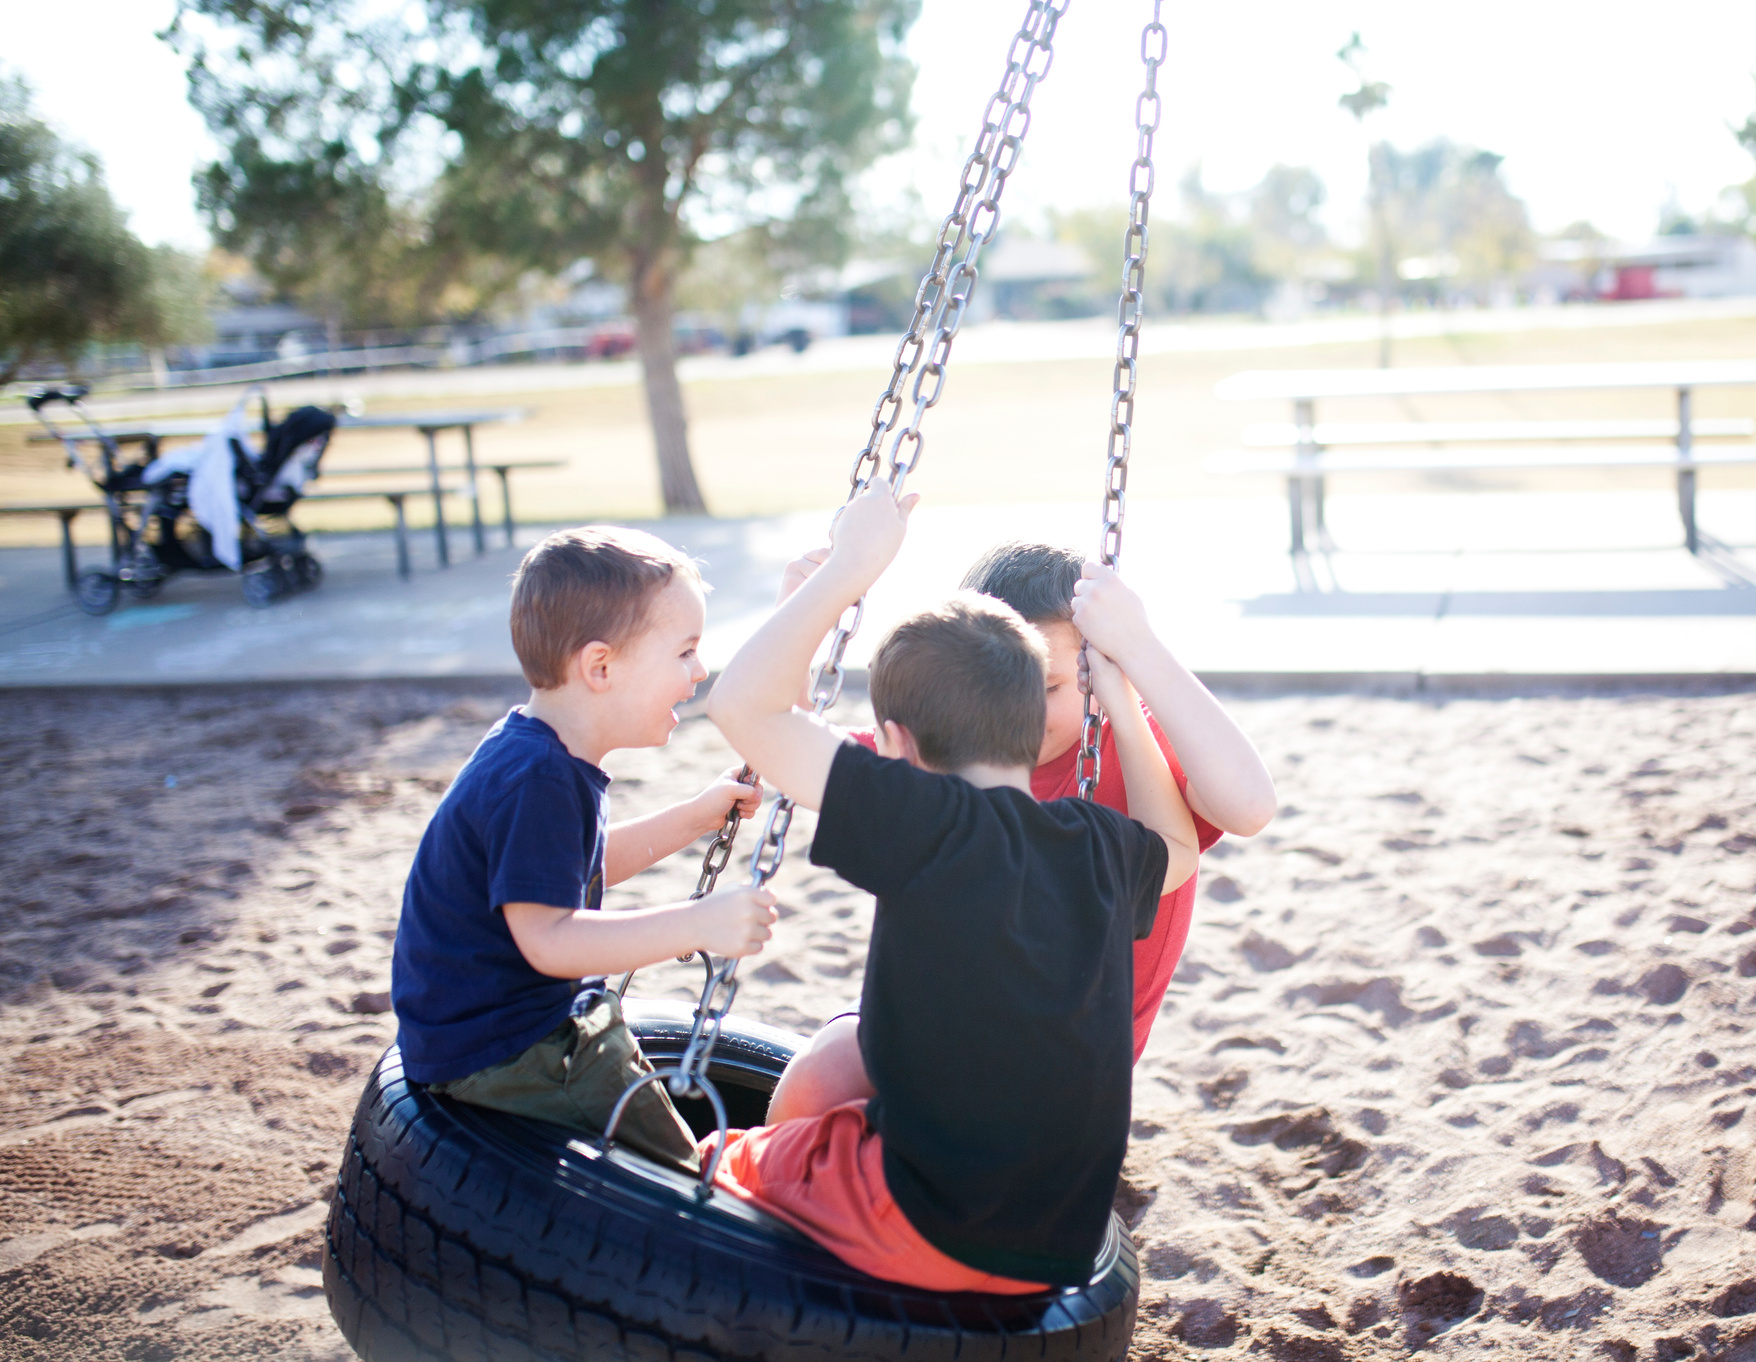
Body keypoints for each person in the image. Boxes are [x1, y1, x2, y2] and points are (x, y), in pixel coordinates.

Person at [700, 483, 1201, 1293]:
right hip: (1060, 1249)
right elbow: (1177, 845)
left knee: (705, 1168)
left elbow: (738, 705)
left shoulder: (922, 822)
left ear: (894, 745)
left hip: (926, 1226)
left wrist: (847, 574)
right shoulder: (1099, 843)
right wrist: (1120, 695)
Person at [775, 539, 1275, 1069]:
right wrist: (798, 619)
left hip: (1073, 1059)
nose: (1023, 709)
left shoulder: (1134, 746)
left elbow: (1249, 807)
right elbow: (796, 746)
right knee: (821, 1068)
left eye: (1050, 685)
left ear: (1094, 669)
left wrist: (1138, 650)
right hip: (947, 1031)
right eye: (998, 687)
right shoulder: (945, 745)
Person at [390, 526, 779, 1170]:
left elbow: (578, 872)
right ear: (600, 667)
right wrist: (696, 923)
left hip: (487, 1033)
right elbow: (549, 940)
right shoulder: (537, 778)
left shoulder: (537, 750)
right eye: (684, 651)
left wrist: (692, 818)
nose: (699, 671)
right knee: (683, 1176)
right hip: (511, 1050)